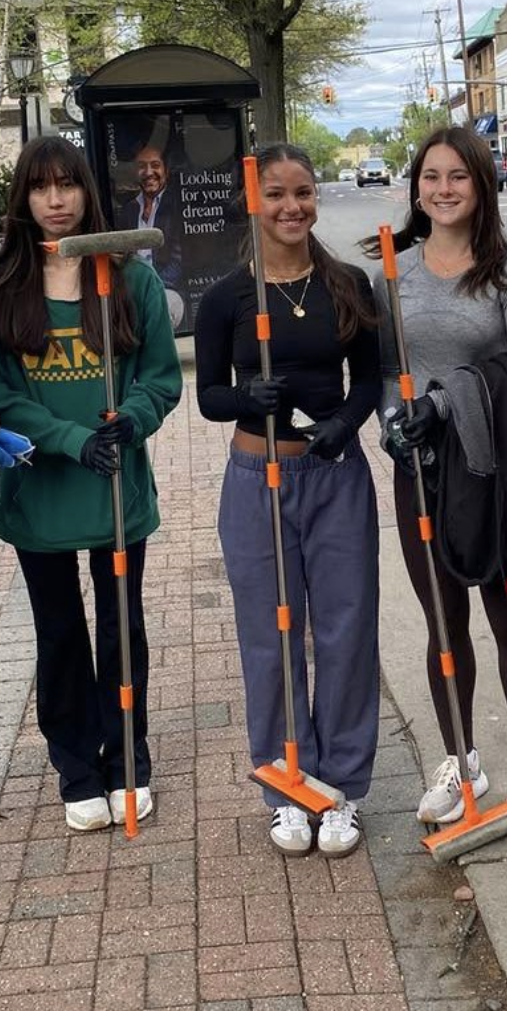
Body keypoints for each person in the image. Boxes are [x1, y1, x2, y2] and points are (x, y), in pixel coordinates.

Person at [0, 136, 182, 833]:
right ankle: (75, 763)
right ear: (23, 199)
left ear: (88, 192)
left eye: (68, 185)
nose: (56, 200)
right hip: (43, 493)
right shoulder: (1, 289)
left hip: (116, 490)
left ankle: (128, 757)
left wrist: (133, 420)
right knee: (59, 630)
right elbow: (1, 392)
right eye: (40, 187)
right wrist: (69, 440)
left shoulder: (129, 279)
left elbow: (158, 375)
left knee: (122, 629)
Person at [364, 126, 507, 831]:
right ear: (416, 186)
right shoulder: (396, 270)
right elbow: (387, 368)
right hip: (422, 470)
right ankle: (460, 757)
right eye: (431, 176)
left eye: (458, 177)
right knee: (444, 624)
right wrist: (392, 418)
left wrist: (442, 403)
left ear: (481, 187)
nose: (443, 189)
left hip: (493, 472)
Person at [195, 143, 382, 858]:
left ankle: (341, 787)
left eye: (302, 192)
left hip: (334, 478)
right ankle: (285, 784)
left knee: (344, 629)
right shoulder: (228, 298)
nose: (291, 207)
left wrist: (345, 423)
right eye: (275, 194)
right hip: (257, 479)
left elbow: (366, 378)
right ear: (255, 201)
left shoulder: (346, 284)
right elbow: (210, 393)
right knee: (270, 635)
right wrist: (247, 397)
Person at [121, 143, 185, 325]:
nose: (149, 172)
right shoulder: (129, 210)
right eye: (142, 166)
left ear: (167, 170)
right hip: (134, 290)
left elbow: (179, 261)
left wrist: (151, 287)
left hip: (167, 289)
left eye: (155, 165)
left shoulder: (177, 205)